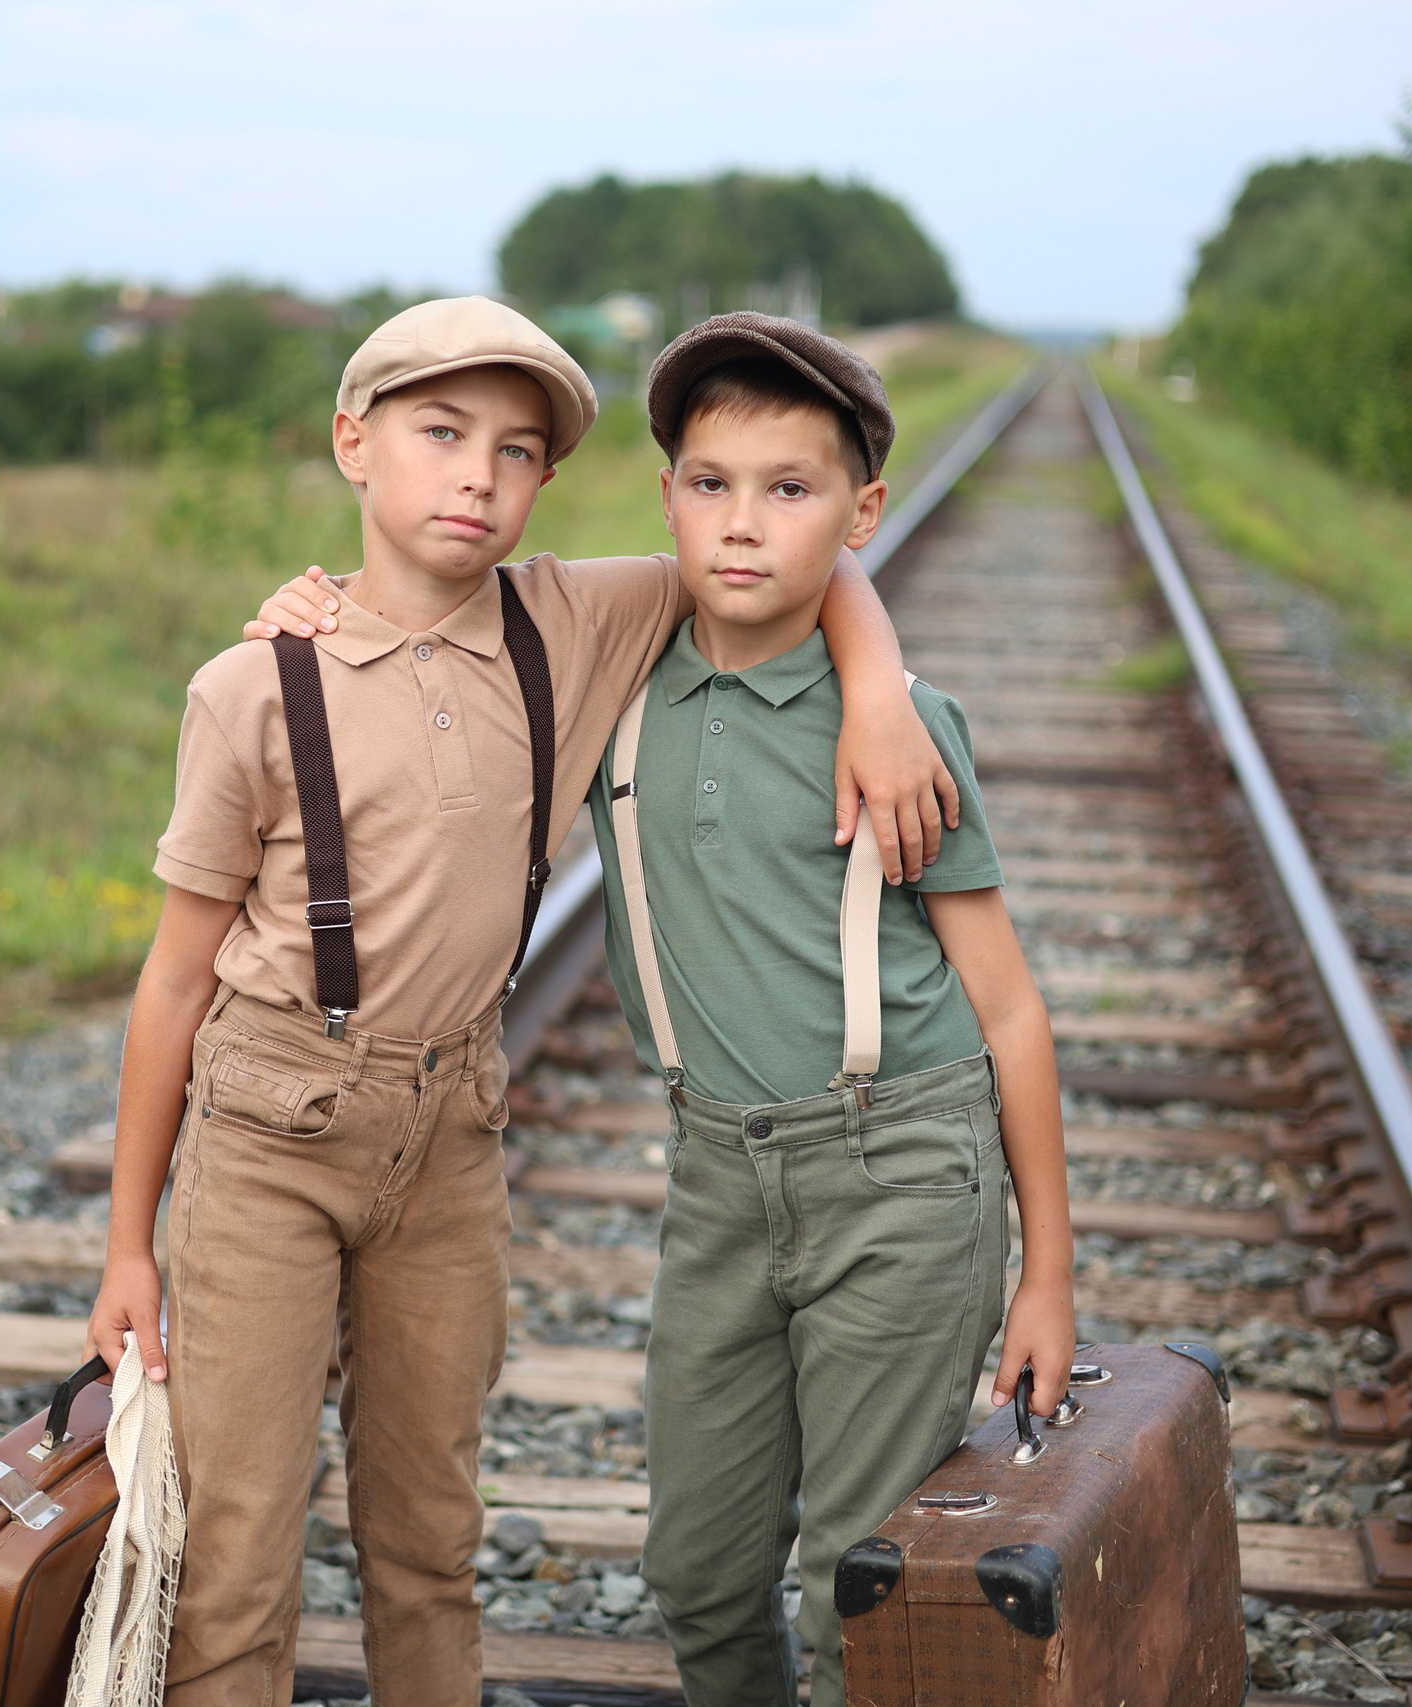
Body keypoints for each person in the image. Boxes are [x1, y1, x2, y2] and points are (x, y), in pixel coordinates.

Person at [86, 295, 956, 1707]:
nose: (476, 477)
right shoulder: (252, 686)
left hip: (450, 1140)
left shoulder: (572, 617)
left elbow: (784, 556)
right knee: (239, 1540)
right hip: (265, 1136)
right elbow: (174, 980)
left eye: (514, 450)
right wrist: (129, 1244)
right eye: (441, 436)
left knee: (430, 1536)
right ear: (353, 445)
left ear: (546, 481)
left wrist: (877, 691)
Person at [591, 314, 1075, 1707]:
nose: (741, 524)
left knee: (854, 1576)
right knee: (697, 1568)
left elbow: (1013, 1013)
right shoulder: (617, 677)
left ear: (861, 513)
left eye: (789, 491)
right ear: (670, 491)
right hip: (719, 1178)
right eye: (708, 482)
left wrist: (1046, 1273)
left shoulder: (904, 730)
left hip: (899, 1172)